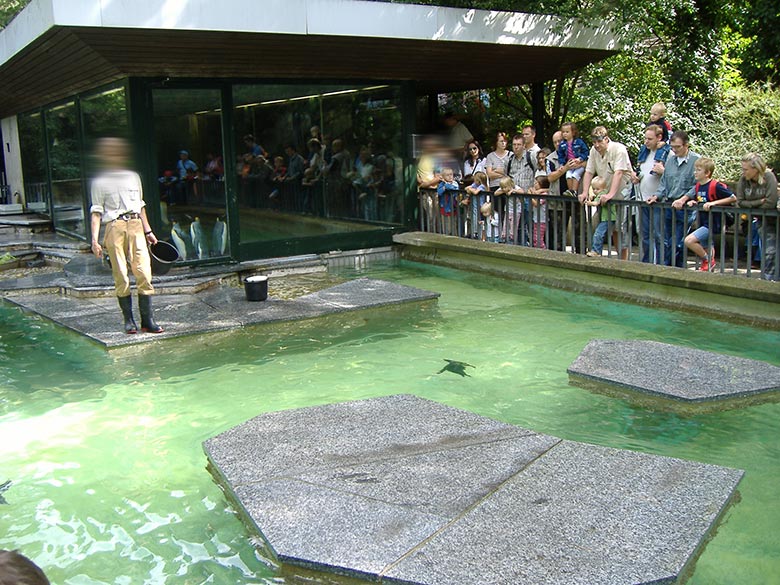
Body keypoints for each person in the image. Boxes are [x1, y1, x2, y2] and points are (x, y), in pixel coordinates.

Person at [90, 137, 163, 334]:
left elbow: (140, 206)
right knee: (121, 273)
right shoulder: (99, 182)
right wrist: (95, 240)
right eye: (110, 152)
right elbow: (96, 212)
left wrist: (148, 231)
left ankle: (147, 320)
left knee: (144, 272)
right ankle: (129, 320)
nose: (115, 155)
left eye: (118, 151)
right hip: (114, 227)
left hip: (136, 225)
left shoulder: (133, 176)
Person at [674, 157, 736, 272]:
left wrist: (714, 203)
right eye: (695, 169)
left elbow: (732, 198)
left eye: (698, 170)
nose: (695, 172)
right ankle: (708, 266)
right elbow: (703, 200)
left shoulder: (715, 185)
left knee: (689, 240)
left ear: (707, 173)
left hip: (713, 222)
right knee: (707, 245)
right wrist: (695, 202)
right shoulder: (698, 186)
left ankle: (707, 260)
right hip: (703, 220)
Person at [579, 126, 632, 259]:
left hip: (622, 194)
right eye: (594, 142)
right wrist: (585, 191)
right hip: (605, 196)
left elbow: (619, 172)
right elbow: (589, 171)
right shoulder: (594, 150)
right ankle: (613, 258)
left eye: (599, 142)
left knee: (621, 229)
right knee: (610, 227)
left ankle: (624, 262)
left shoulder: (619, 149)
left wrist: (610, 194)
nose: (596, 145)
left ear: (606, 139)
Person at [654, 130, 700, 267]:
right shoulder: (670, 161)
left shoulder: (696, 160)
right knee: (667, 240)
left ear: (686, 145)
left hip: (685, 207)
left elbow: (697, 184)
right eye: (672, 147)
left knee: (679, 242)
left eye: (677, 147)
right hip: (669, 204)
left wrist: (684, 199)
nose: (674, 150)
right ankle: (671, 268)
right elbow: (664, 182)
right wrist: (656, 196)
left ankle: (674, 268)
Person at [734, 152, 779, 280]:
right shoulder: (743, 180)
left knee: (774, 251)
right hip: (761, 219)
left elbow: (770, 202)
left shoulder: (769, 177)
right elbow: (740, 202)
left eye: (746, 169)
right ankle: (768, 279)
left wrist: (751, 207)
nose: (743, 172)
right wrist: (758, 202)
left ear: (756, 169)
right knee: (769, 251)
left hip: (774, 217)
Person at [631, 124, 671, 263]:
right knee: (645, 235)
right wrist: (635, 177)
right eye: (645, 138)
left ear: (659, 137)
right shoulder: (644, 152)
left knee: (660, 235)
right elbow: (641, 172)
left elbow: (673, 176)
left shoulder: (668, 153)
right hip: (643, 199)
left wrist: (663, 171)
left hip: (659, 201)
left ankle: (661, 264)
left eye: (649, 139)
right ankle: (647, 262)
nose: (646, 142)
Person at [586, 176, 620, 257]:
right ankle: (597, 251)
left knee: (598, 234)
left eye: (597, 189)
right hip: (605, 218)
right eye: (593, 189)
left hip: (608, 218)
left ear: (603, 188)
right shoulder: (601, 193)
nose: (595, 191)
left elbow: (597, 202)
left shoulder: (603, 194)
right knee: (600, 233)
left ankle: (596, 251)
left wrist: (589, 203)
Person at [557, 122, 589, 197]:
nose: (565, 134)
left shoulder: (579, 142)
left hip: (579, 164)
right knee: (568, 176)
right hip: (570, 164)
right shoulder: (562, 144)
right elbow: (560, 155)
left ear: (573, 132)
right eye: (563, 132)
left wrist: (580, 159)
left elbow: (586, 152)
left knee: (575, 175)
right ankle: (570, 191)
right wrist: (562, 164)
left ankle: (574, 191)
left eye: (567, 132)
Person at [437, 167, 460, 235]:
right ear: (443, 177)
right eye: (447, 175)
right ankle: (446, 235)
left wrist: (446, 185)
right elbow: (439, 192)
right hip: (444, 207)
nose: (450, 176)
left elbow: (453, 189)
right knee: (445, 223)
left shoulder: (455, 183)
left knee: (453, 223)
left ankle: (454, 236)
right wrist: (444, 187)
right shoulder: (441, 184)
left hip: (453, 207)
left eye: (451, 174)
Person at [465, 171, 488, 239]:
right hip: (475, 206)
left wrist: (471, 189)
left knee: (480, 220)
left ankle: (478, 234)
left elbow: (475, 192)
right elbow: (466, 188)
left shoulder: (482, 186)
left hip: (480, 206)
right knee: (474, 218)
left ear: (479, 180)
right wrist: (471, 189)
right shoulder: (475, 185)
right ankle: (475, 232)